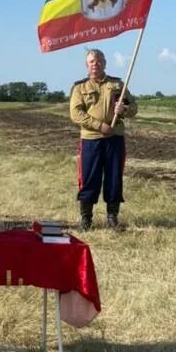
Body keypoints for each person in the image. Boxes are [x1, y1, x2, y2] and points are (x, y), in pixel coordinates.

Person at [69, 47, 137, 231]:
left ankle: (112, 218)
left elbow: (134, 108)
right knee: (89, 178)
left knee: (114, 178)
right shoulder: (79, 87)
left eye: (98, 61)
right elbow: (76, 114)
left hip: (114, 139)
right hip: (91, 140)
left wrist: (124, 110)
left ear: (105, 63)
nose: (95, 64)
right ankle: (86, 219)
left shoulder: (118, 85)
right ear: (87, 65)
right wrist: (100, 126)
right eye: (91, 61)